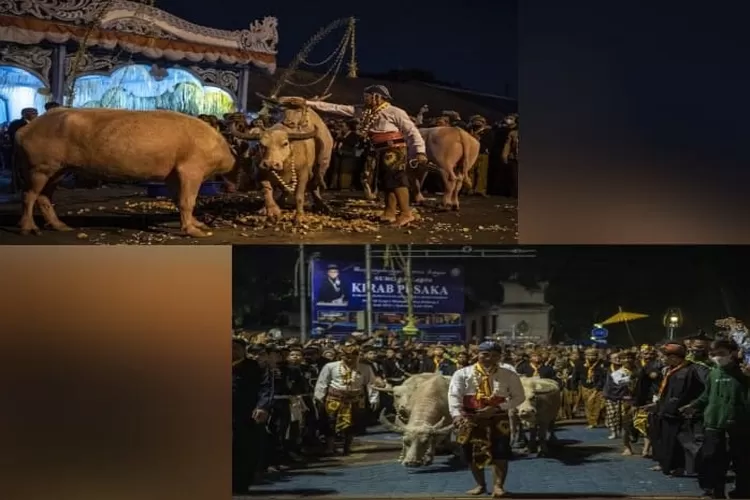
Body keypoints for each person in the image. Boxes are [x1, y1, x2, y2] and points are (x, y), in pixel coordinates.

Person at [295, 85, 428, 226]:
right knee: (385, 181)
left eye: (367, 96)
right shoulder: (363, 111)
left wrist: (420, 151)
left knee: (396, 180)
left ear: (378, 96)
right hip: (377, 149)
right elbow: (335, 108)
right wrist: (307, 103)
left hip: (394, 149)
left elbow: (412, 131)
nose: (365, 99)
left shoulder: (394, 111)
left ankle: (406, 213)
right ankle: (389, 211)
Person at [448, 341, 526, 498]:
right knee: (471, 453)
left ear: (500, 357)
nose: (489, 358)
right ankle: (480, 485)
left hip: (498, 418)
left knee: (501, 453)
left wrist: (498, 407)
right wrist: (456, 415)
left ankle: (498, 486)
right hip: (470, 418)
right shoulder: (462, 373)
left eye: (495, 355)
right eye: (485, 354)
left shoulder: (509, 374)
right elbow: (454, 396)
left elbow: (519, 397)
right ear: (477, 354)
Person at [681, 338, 750, 499]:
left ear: (732, 353)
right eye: (713, 354)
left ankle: (742, 491)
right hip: (713, 424)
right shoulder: (713, 372)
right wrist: (693, 406)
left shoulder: (743, 372)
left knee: (741, 461)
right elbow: (706, 396)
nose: (717, 357)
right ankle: (716, 491)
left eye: (721, 353)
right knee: (713, 460)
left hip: (739, 425)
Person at [648, 342, 705, 476]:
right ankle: (667, 465)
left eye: (664, 356)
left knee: (682, 444)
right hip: (666, 412)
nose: (662, 359)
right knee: (666, 442)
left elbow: (705, 390)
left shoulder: (694, 369)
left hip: (682, 414)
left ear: (674, 357)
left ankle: (683, 468)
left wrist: (694, 405)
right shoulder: (668, 370)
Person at [314, 345, 379, 455]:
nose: (350, 360)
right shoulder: (330, 366)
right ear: (341, 356)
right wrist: (319, 397)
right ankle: (330, 447)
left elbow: (371, 383)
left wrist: (374, 398)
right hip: (335, 398)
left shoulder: (365, 368)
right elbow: (322, 382)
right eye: (346, 357)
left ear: (358, 357)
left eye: (353, 357)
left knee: (353, 424)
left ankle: (347, 447)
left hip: (355, 399)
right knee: (330, 422)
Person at [232, 338, 273, 494]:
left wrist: (262, 407)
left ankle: (241, 483)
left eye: (236, 348)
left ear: (244, 350)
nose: (232, 351)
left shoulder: (256, 367)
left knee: (245, 449)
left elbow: (266, 388)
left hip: (247, 414)